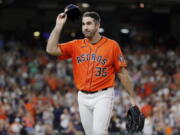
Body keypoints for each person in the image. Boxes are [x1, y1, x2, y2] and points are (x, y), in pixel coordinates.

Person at [46, 11, 139, 135]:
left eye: (89, 23)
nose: (85, 27)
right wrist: (58, 26)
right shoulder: (76, 45)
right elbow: (51, 49)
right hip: (83, 96)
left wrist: (132, 97)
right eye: (83, 24)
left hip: (103, 95)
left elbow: (122, 73)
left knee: (98, 132)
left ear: (97, 25)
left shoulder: (112, 45)